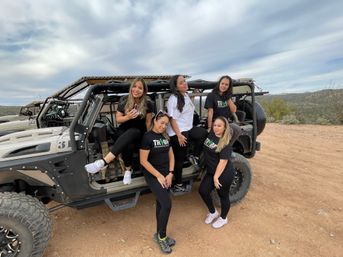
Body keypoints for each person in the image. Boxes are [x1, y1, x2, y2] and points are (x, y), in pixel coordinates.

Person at [85, 78, 153, 184]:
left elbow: (148, 122)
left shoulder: (148, 103)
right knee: (128, 143)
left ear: (144, 91)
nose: (136, 89)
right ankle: (127, 170)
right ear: (131, 88)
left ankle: (104, 162)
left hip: (139, 133)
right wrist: (128, 117)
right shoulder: (125, 100)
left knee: (134, 132)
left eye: (140, 88)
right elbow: (118, 119)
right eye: (134, 86)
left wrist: (149, 137)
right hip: (123, 131)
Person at [140, 110, 175, 254]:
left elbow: (171, 156)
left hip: (166, 175)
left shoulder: (165, 136)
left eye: (166, 124)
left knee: (161, 203)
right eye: (162, 123)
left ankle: (158, 234)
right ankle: (162, 237)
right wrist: (159, 176)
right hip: (153, 175)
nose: (164, 126)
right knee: (167, 204)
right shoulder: (147, 137)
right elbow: (143, 161)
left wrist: (170, 173)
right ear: (155, 120)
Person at [166, 75, 207, 193]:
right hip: (176, 131)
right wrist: (179, 135)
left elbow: (189, 107)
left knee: (203, 133)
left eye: (184, 81)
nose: (184, 83)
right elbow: (172, 119)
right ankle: (178, 184)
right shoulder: (173, 98)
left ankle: (195, 155)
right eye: (181, 82)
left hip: (187, 127)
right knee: (179, 158)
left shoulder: (185, 95)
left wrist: (194, 94)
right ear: (176, 87)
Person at [198, 116, 234, 229]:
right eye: (215, 125)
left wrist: (216, 177)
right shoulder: (211, 135)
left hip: (224, 174)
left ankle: (223, 218)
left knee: (223, 195)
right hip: (212, 172)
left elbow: (223, 163)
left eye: (219, 126)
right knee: (203, 191)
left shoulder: (225, 143)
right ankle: (213, 212)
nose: (216, 128)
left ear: (224, 128)